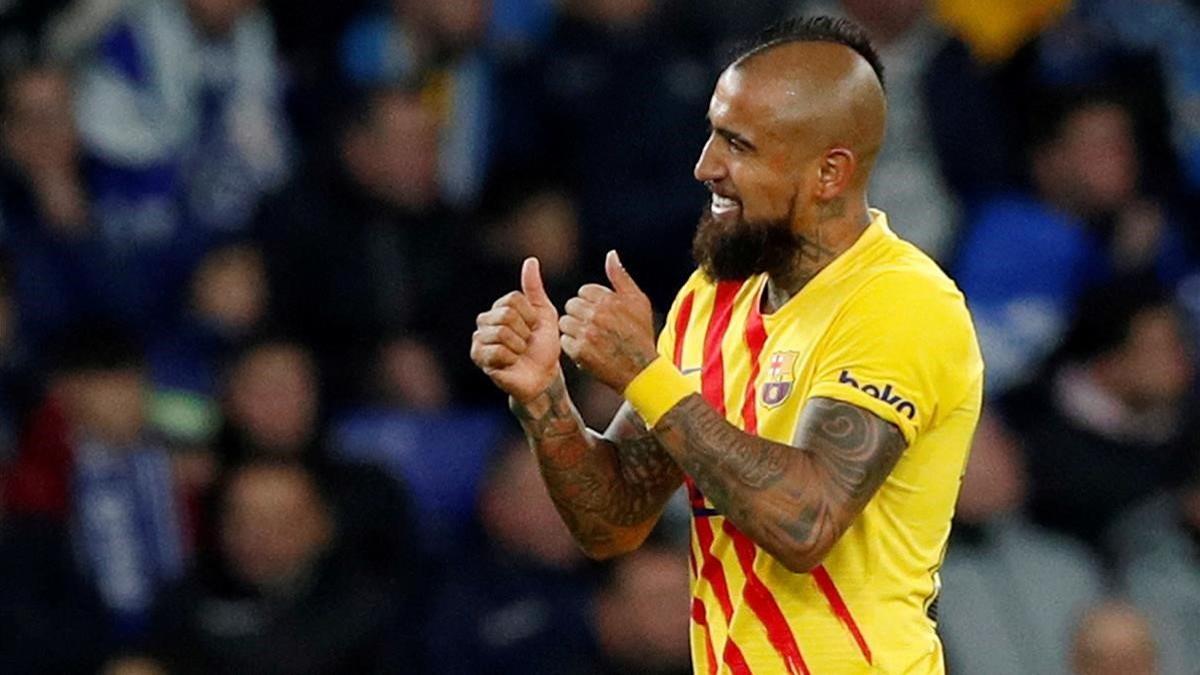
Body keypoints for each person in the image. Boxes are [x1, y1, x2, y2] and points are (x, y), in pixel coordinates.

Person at [471, 16, 984, 674]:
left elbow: (805, 522)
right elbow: (615, 520)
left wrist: (645, 374)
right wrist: (546, 400)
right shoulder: (710, 299)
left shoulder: (902, 303)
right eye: (712, 132)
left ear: (829, 173)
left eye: (738, 145)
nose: (705, 166)